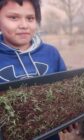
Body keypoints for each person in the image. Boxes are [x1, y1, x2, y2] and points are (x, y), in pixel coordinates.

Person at [0, 0, 66, 140]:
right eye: (13, 17)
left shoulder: (51, 53)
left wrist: (68, 116)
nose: (24, 25)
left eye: (30, 18)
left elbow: (66, 90)